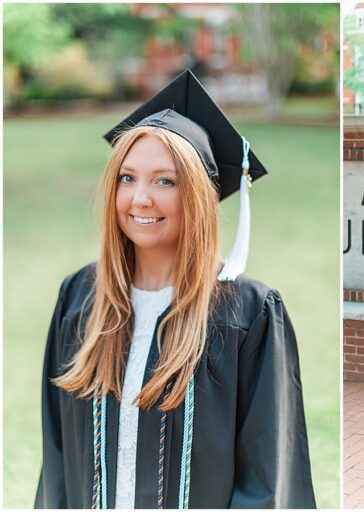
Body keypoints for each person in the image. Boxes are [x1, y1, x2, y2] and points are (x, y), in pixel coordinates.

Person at [35, 70, 316, 508]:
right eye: (127, 178)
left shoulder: (248, 313)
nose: (140, 198)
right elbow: (57, 463)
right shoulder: (80, 299)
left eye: (165, 181)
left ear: (200, 197)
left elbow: (266, 480)